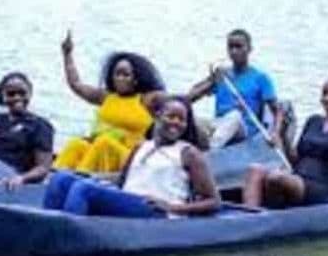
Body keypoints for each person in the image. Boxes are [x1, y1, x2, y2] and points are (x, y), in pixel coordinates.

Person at [44, 96, 220, 218]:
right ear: (157, 116)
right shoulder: (141, 146)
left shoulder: (188, 153)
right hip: (128, 201)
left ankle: (68, 237)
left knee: (84, 189)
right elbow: (122, 179)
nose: (176, 122)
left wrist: (173, 207)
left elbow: (214, 201)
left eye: (182, 120)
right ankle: (48, 226)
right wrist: (90, 176)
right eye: (171, 116)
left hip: (156, 211)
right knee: (62, 178)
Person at [242, 69, 328, 208]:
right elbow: (295, 160)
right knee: (255, 170)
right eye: (324, 94)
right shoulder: (313, 121)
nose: (327, 99)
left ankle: (273, 213)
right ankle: (251, 216)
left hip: (327, 189)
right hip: (298, 178)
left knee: (276, 178)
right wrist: (284, 136)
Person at [54, 30, 166, 173]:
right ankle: (52, 177)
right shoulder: (106, 97)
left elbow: (183, 100)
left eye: (125, 75)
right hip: (97, 150)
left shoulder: (146, 99)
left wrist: (198, 88)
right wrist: (67, 54)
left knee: (104, 143)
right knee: (76, 144)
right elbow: (76, 85)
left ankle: (80, 176)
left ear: (136, 79)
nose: (120, 78)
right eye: (117, 74)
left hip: (129, 157)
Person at [188, 29, 280, 149]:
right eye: (230, 47)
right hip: (218, 124)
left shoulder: (260, 78)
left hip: (243, 128)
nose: (234, 51)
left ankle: (211, 148)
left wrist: (275, 133)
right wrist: (212, 80)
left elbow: (277, 110)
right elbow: (190, 98)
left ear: (249, 49)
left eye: (238, 47)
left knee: (235, 116)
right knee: (190, 119)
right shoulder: (222, 75)